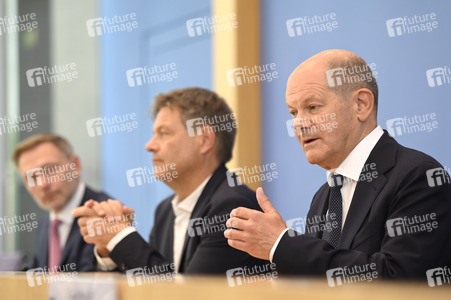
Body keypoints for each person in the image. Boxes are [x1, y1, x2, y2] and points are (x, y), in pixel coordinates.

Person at [224, 49, 451, 279]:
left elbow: (400, 279)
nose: (299, 124)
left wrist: (282, 245)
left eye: (312, 107)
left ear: (361, 105)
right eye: (293, 112)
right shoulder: (322, 198)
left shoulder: (418, 177)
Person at [73, 87, 266, 274]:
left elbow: (190, 295)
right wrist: (108, 247)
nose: (150, 145)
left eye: (163, 133)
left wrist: (120, 236)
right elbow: (146, 284)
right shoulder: (164, 211)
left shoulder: (233, 207)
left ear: (205, 141)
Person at [13, 134, 111, 272]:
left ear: (76, 165)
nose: (43, 184)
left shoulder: (104, 213)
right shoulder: (46, 224)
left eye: (50, 170)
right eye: (32, 177)